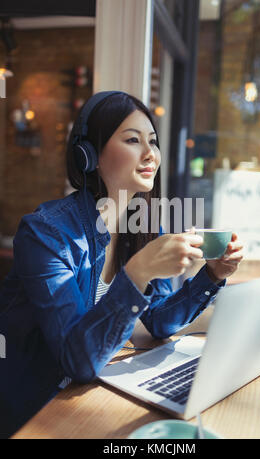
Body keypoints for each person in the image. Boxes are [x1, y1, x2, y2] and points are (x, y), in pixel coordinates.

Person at [0, 91, 243, 438]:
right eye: (132, 140)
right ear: (89, 156)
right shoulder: (47, 233)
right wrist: (138, 272)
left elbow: (158, 321)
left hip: (84, 399)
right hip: (33, 412)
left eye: (153, 142)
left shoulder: (143, 225)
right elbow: (75, 360)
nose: (150, 154)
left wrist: (212, 275)